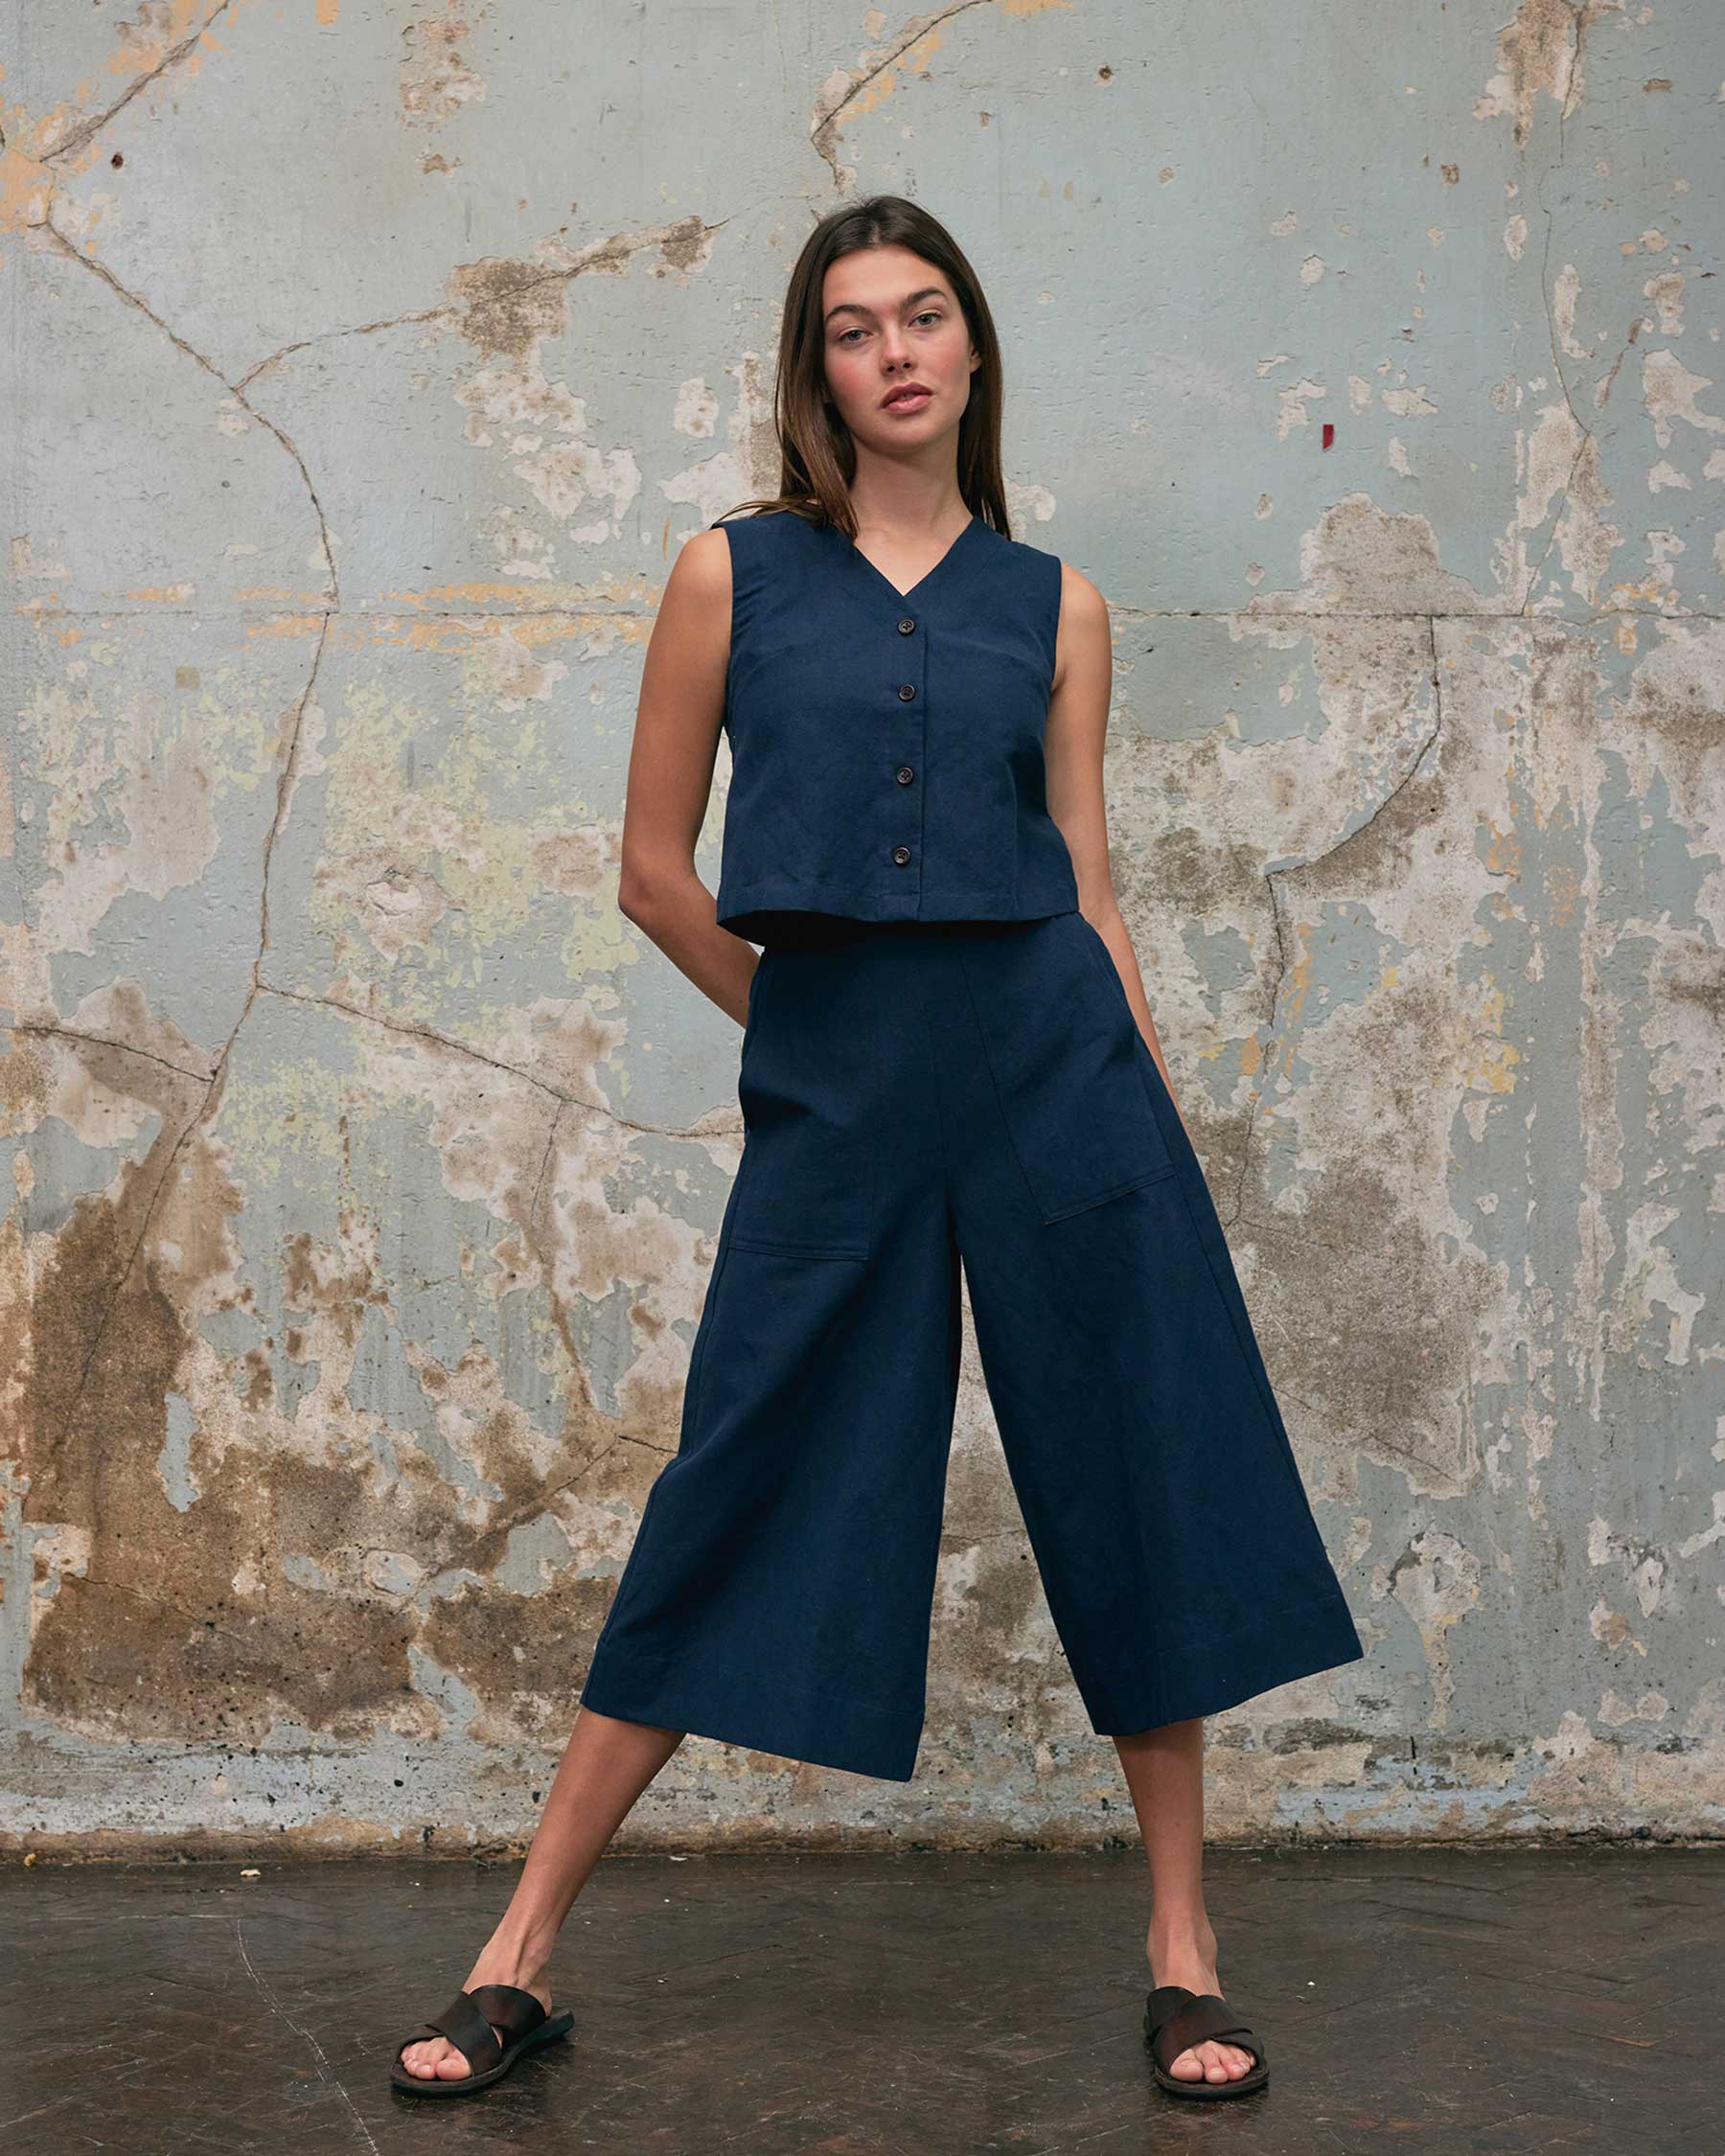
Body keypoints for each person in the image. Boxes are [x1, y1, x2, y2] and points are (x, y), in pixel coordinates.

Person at [392, 193, 1365, 2104]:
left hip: (1053, 1074)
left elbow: (1084, 881)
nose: (898, 351)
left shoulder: (1058, 603)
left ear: (974, 350)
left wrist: (1138, 1099)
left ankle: (1184, 1956)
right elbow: (656, 877)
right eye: (856, 326)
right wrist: (806, 1038)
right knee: (740, 1469)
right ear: (813, 365)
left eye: (928, 317)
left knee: (1126, 1466)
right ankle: (518, 1957)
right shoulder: (729, 574)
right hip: (847, 1082)